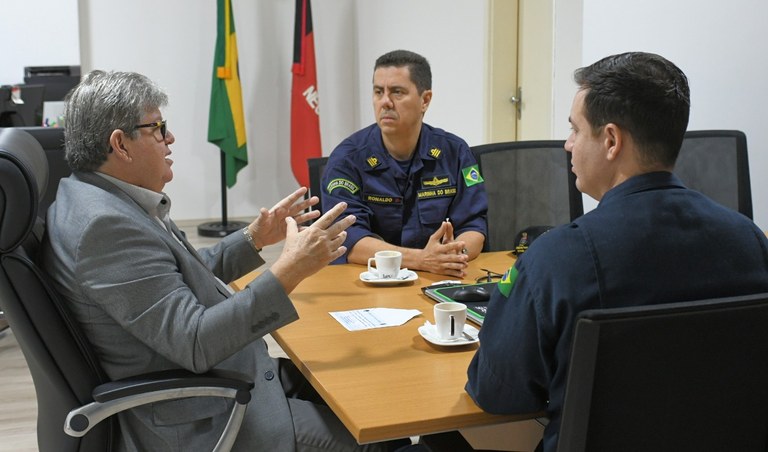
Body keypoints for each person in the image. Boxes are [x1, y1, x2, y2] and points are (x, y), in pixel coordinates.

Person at [41, 70, 413, 452]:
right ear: (120, 144)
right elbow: (197, 341)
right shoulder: (106, 227)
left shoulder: (94, 197)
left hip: (224, 378)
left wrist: (253, 239)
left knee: (367, 398)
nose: (170, 138)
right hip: (207, 413)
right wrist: (288, 271)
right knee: (375, 439)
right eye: (157, 128)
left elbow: (175, 280)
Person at [465, 52, 768, 451]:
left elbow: (496, 390)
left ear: (610, 140)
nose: (567, 144)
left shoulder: (557, 259)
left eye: (575, 130)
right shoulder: (751, 242)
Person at [321, 49, 488, 278]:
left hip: (437, 278)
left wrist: (453, 254)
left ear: (425, 100)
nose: (385, 102)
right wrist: (422, 260)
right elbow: (348, 239)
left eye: (397, 92)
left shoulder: (455, 152)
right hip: (368, 281)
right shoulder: (347, 158)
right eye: (379, 92)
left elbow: (474, 226)